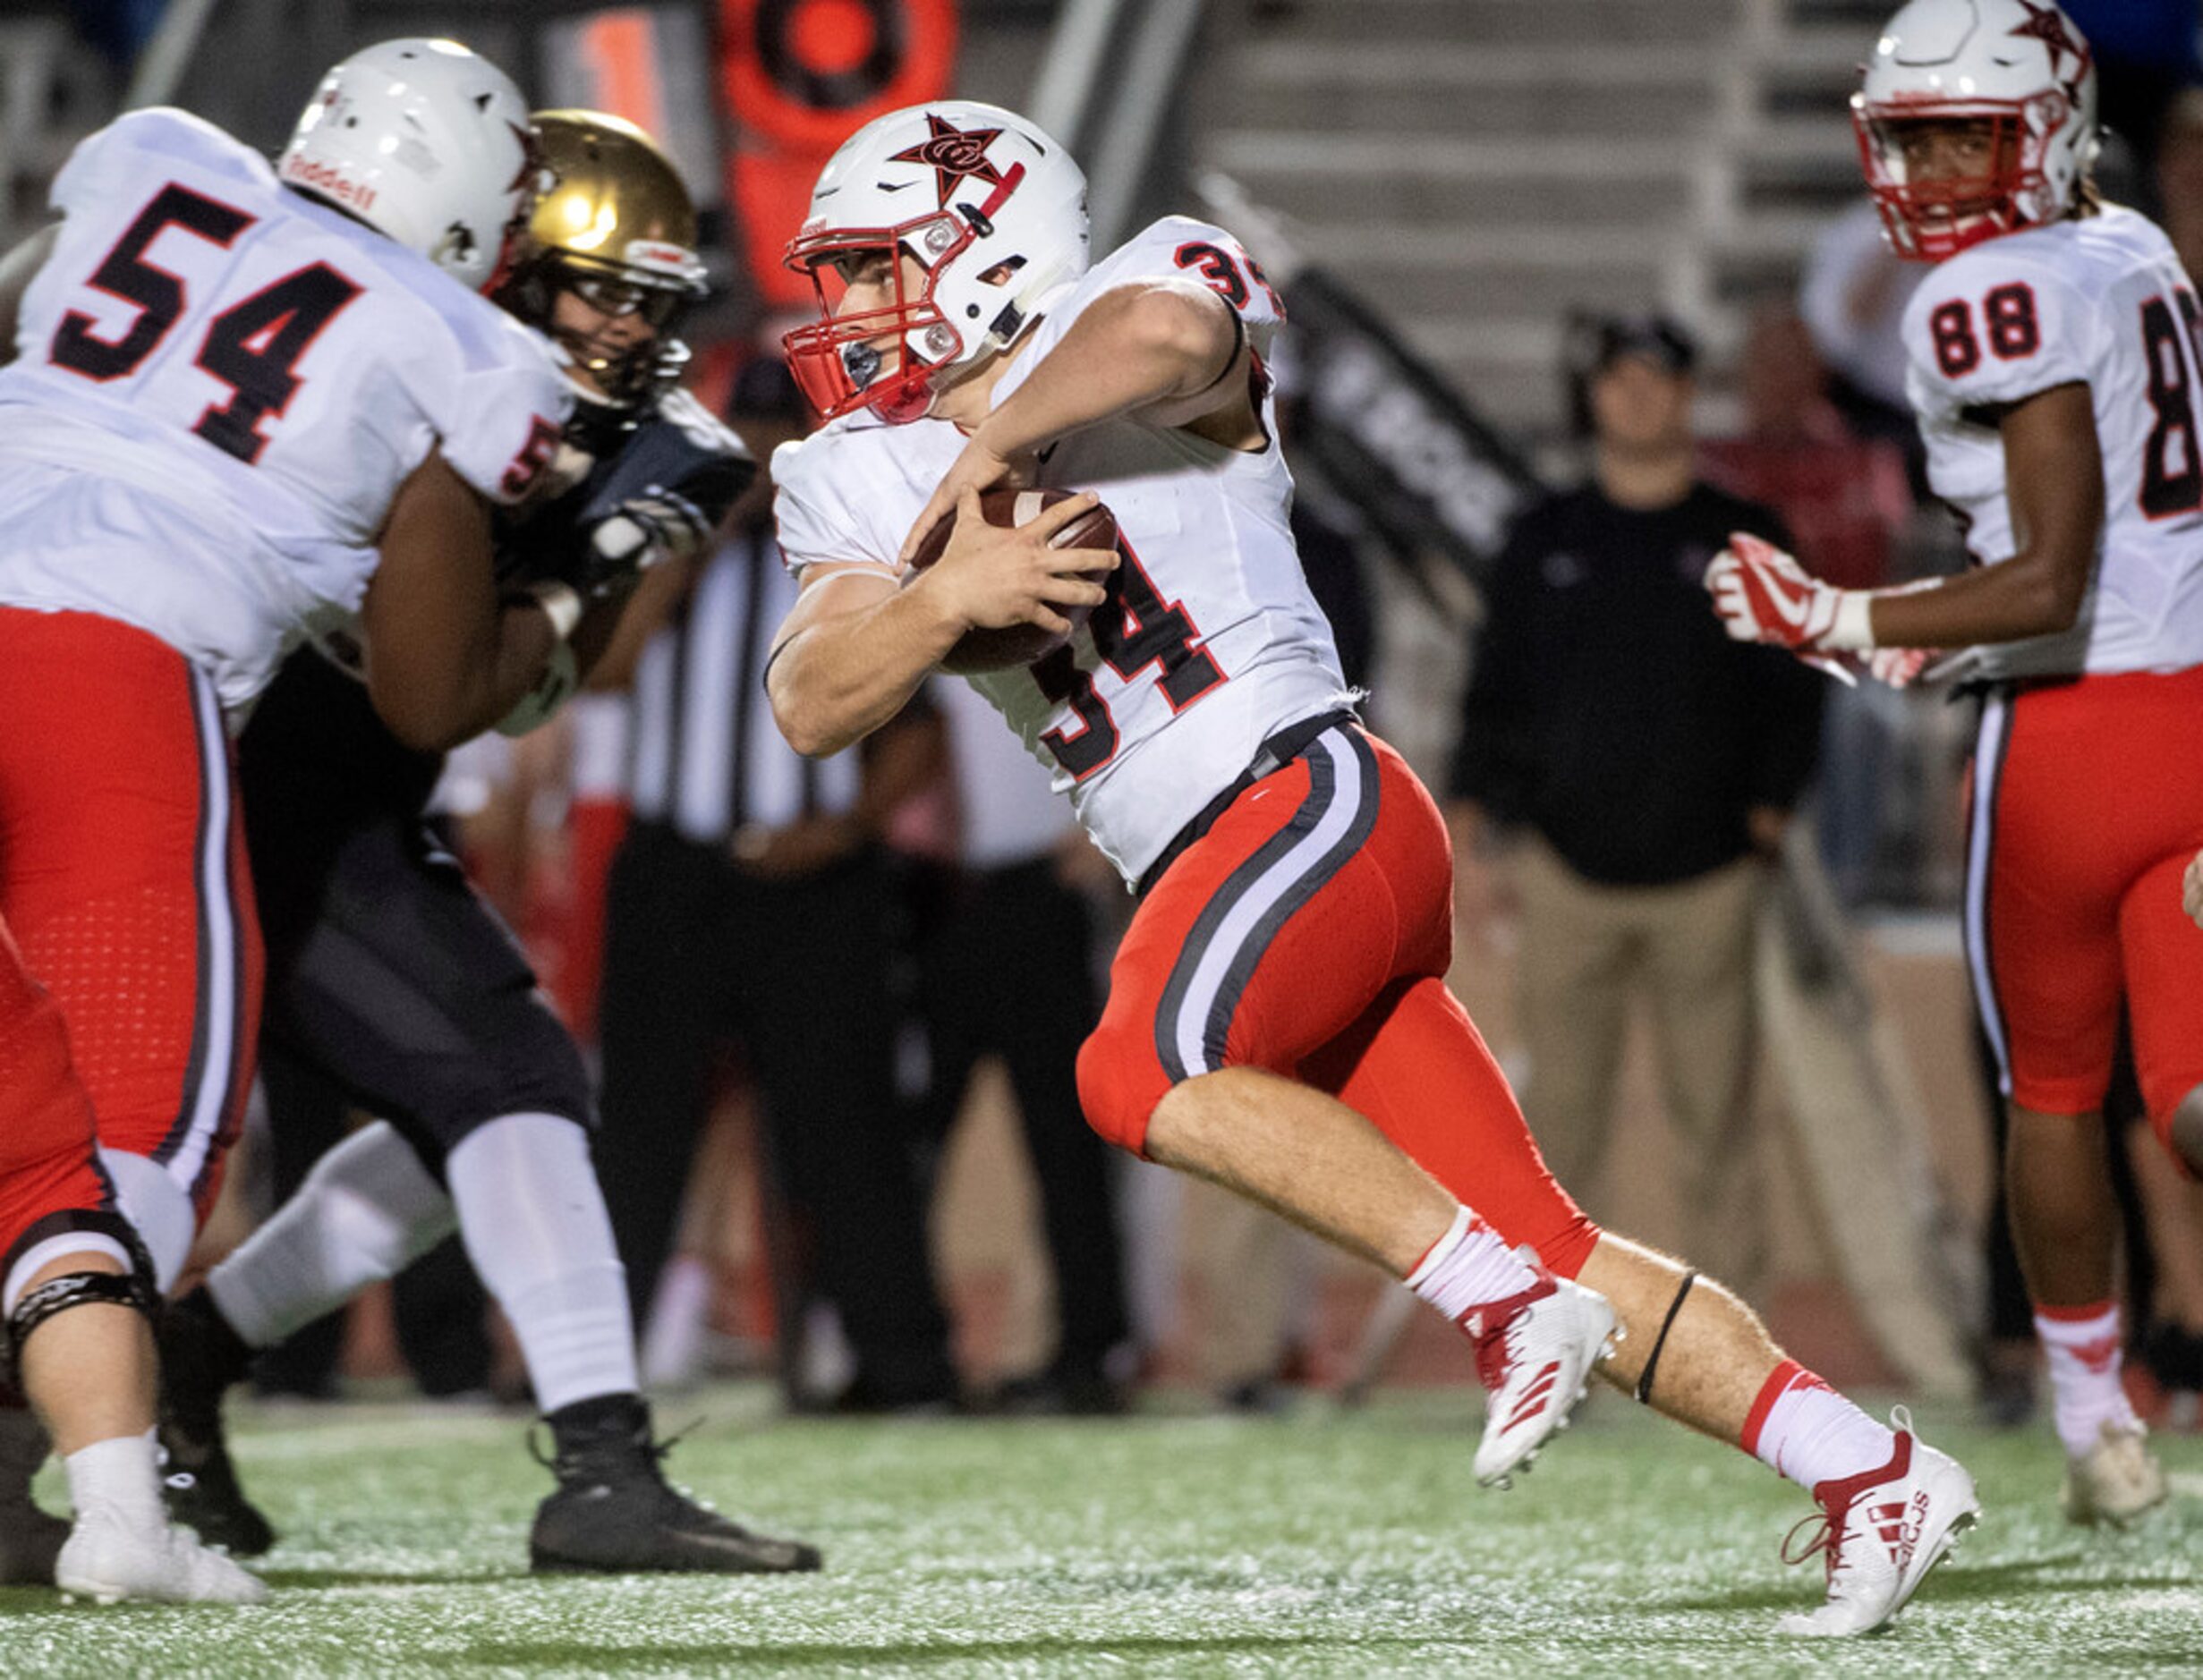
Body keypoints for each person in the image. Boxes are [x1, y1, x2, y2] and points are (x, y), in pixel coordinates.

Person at [762, 98, 1978, 1637]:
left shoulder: (1131, 291)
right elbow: (812, 696)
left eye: (879, 268)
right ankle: (1866, 1463)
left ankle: (1497, 1305)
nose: (846, 310)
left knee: (1135, 1073)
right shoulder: (850, 465)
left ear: (987, 243)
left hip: (1300, 802)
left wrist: (989, 444)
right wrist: (947, 601)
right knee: (1550, 1234)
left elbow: (1158, 331)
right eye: (841, 275)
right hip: (1224, 871)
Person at [151, 110, 821, 1577]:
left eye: (654, 301)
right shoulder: (391, 364)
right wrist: (601, 551)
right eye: (603, 290)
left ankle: (580, 1462)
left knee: (508, 1089)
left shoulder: (572, 421)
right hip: (176, 787)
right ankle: (80, 1413)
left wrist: (610, 551)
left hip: (325, 811)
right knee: (109, 1152)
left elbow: (525, 694)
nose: (632, 330)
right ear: (500, 264)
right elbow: (447, 683)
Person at [0, 38, 577, 1604]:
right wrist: (579, 589)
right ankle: (70, 1479)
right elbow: (427, 690)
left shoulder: (152, 169)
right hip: (114, 678)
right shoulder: (456, 341)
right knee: (136, 1130)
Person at [1708, 0, 2192, 1527]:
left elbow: (2045, 579)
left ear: (2040, 128)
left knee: (2049, 1092)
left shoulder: (1991, 293)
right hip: (2188, 715)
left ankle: (2087, 1413)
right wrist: (1919, 639)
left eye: (1961, 137)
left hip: (2068, 744)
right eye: (1908, 137)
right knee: (2183, 1099)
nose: (1924, 174)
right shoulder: (2139, 255)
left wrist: (1839, 609)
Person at [594, 352, 960, 1414]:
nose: (758, 458)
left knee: (844, 1126)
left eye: (774, 439)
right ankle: (590, 1371)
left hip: (813, 876)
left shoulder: (847, 559)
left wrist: (844, 830)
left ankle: (902, 1365)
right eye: (742, 437)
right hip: (676, 868)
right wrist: (700, 532)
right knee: (642, 1126)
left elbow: (913, 736)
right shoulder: (672, 548)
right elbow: (605, 668)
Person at [1451, 311, 1824, 1294]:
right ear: (1594, 396)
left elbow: (1796, 687)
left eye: (1657, 378)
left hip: (1707, 877)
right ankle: (1558, 1346)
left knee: (1717, 1124)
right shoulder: (1542, 539)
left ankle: (1743, 1363)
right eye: (1618, 379)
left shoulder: (1740, 535)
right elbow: (1493, 694)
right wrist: (1474, 829)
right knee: (1559, 1131)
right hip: (1566, 872)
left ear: (1687, 394)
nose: (1636, 394)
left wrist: (1768, 813)